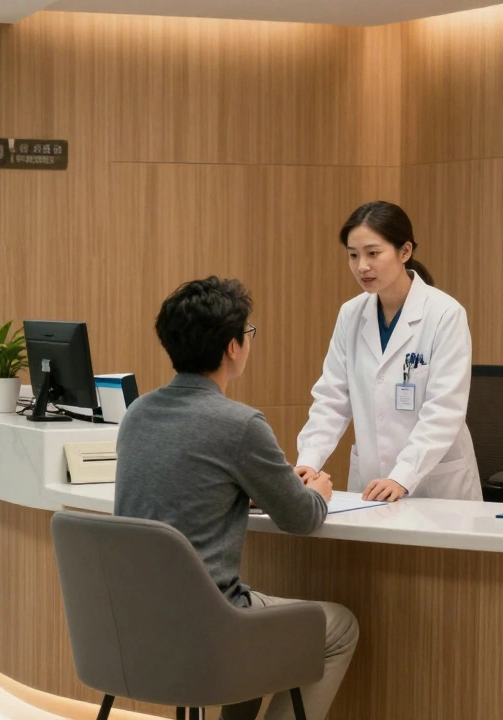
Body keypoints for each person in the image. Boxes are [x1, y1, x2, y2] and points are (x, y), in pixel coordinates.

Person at [114, 277, 357, 720]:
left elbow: (184, 487)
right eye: (247, 333)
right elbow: (302, 518)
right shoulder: (239, 424)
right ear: (232, 347)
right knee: (339, 625)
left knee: (251, 625)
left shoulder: (136, 414)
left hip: (136, 625)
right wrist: (318, 492)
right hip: (209, 627)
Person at [295, 201, 480, 502]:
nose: (362, 266)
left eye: (373, 253)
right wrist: (308, 460)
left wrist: (402, 476)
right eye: (353, 255)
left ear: (404, 252)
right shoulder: (351, 314)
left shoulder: (445, 313)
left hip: (435, 487)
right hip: (372, 484)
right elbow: (332, 398)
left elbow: (444, 410)